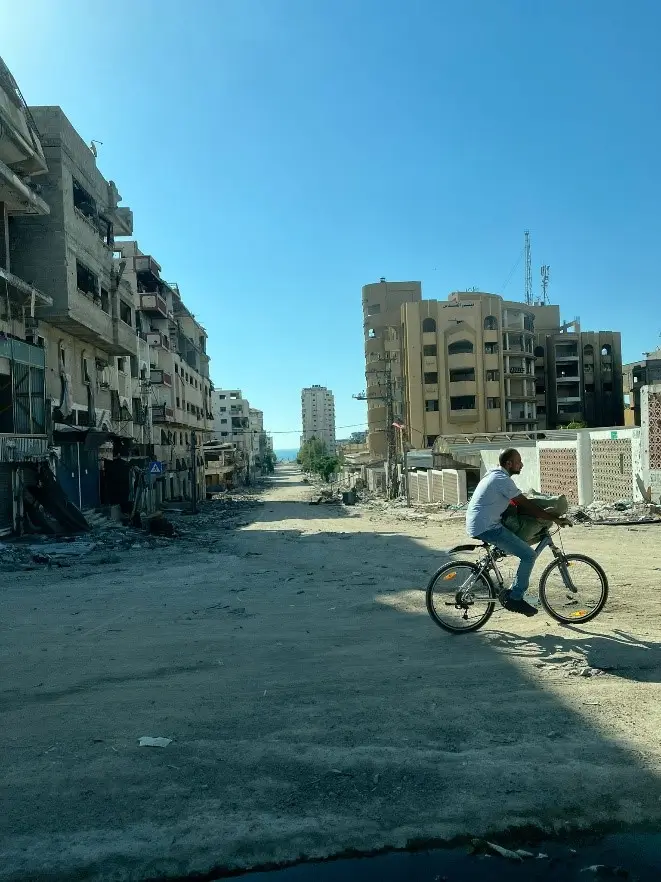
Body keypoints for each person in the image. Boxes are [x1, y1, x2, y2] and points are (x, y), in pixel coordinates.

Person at [465, 448, 570, 617]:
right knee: (528, 555)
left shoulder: (495, 475)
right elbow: (525, 504)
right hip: (487, 527)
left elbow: (515, 501)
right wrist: (553, 517)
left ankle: (494, 564)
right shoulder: (502, 480)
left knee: (516, 541)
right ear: (509, 464)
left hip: (480, 523)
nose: (521, 464)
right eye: (518, 461)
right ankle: (515, 597)